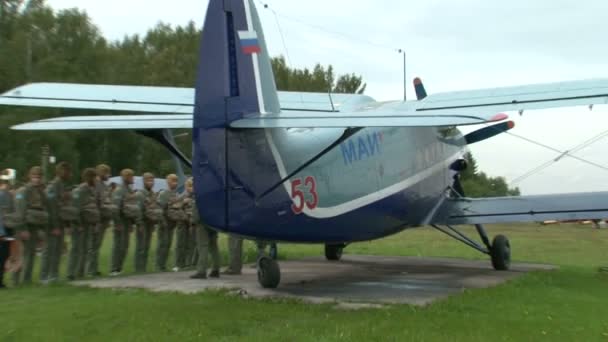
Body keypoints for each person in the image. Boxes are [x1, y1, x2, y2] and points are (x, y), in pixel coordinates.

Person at [14, 166, 49, 285]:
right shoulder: (24, 191)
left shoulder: (40, 191)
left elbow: (42, 208)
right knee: (20, 254)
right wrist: (23, 229)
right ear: (30, 176)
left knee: (30, 253)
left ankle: (26, 279)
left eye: (39, 177)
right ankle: (15, 280)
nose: (37, 179)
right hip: (24, 226)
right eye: (34, 177)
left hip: (34, 226)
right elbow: (20, 211)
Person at [43, 162, 76, 283]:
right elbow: (51, 208)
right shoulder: (53, 186)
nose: (69, 174)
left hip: (60, 223)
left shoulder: (62, 186)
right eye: (67, 171)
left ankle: (54, 275)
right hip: (52, 224)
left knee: (58, 250)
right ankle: (44, 276)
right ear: (60, 172)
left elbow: (64, 206)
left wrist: (66, 224)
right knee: (49, 250)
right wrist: (54, 226)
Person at [68, 168, 100, 280]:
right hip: (79, 224)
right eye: (95, 177)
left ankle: (80, 272)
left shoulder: (92, 190)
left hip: (87, 224)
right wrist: (78, 223)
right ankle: (71, 273)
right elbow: (75, 208)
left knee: (85, 248)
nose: (96, 180)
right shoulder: (80, 190)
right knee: (76, 248)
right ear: (89, 177)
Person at [185, 178, 220, 279]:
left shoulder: (201, 194)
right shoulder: (215, 194)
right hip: (214, 222)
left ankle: (201, 271)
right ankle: (215, 269)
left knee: (202, 246)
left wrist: (193, 222)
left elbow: (196, 211)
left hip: (202, 223)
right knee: (214, 247)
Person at [110, 169, 140, 276]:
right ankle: (114, 268)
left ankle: (119, 268)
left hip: (127, 222)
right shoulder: (119, 190)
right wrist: (117, 223)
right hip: (120, 221)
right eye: (130, 176)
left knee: (125, 246)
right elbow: (115, 208)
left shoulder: (129, 189)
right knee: (118, 245)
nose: (132, 178)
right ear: (125, 177)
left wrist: (132, 223)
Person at [88, 164, 113, 277]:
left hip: (103, 219)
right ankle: (90, 269)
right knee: (93, 245)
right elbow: (98, 203)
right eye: (107, 173)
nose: (109, 175)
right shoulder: (97, 185)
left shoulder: (103, 185)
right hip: (98, 219)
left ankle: (94, 268)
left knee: (96, 245)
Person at [157, 174, 184, 272]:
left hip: (172, 224)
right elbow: (159, 209)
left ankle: (163, 265)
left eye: (176, 181)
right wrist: (162, 222)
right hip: (164, 224)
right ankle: (159, 265)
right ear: (168, 182)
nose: (175, 183)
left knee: (168, 244)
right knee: (163, 244)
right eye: (173, 181)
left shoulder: (175, 194)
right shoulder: (164, 194)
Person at [135, 173, 161, 273]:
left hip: (150, 223)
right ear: (144, 181)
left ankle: (143, 268)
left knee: (146, 246)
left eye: (152, 180)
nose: (151, 182)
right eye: (148, 180)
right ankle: (139, 268)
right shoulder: (140, 194)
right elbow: (138, 210)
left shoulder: (153, 194)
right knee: (141, 246)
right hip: (142, 223)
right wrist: (139, 223)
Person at [0, 169, 18, 288]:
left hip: (8, 228)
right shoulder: (2, 194)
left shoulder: (10, 194)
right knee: (1, 255)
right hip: (2, 229)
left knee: (5, 255)